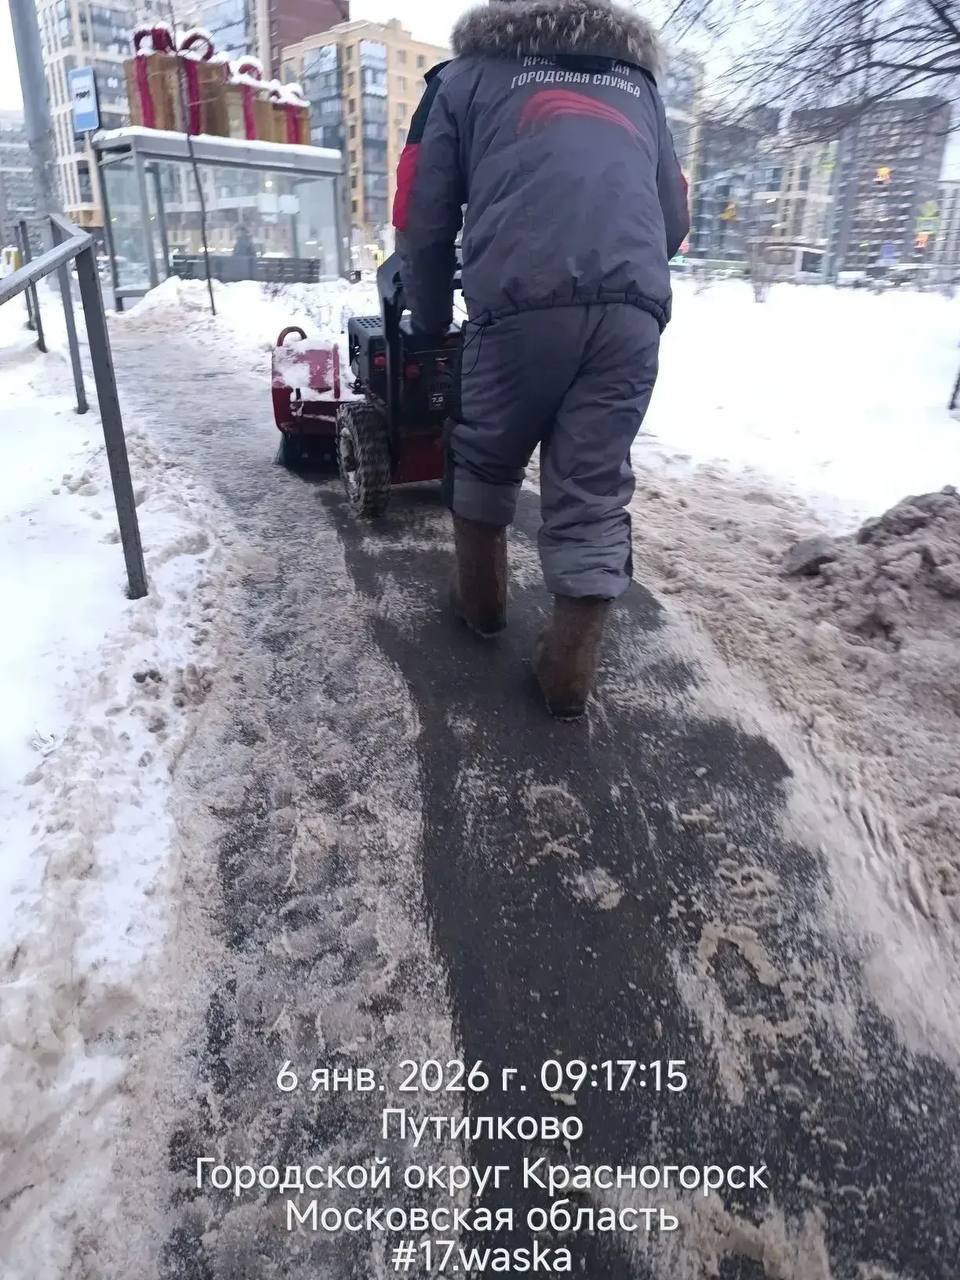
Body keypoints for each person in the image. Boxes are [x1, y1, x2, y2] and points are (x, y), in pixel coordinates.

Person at [392, 0, 689, 719]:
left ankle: (483, 606)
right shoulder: (638, 85)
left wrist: (430, 321)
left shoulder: (462, 79)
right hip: (632, 318)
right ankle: (569, 668)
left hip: (518, 306)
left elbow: (421, 215)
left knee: (485, 453)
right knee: (591, 486)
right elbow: (675, 218)